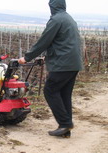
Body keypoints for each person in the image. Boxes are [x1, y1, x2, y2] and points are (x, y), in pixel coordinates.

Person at [18, 0, 83, 138]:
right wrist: (46, 58)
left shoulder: (56, 20)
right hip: (73, 63)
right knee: (64, 94)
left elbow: (44, 40)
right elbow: (63, 44)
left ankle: (65, 123)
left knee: (50, 90)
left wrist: (27, 57)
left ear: (52, 6)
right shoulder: (68, 18)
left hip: (63, 64)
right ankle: (65, 128)